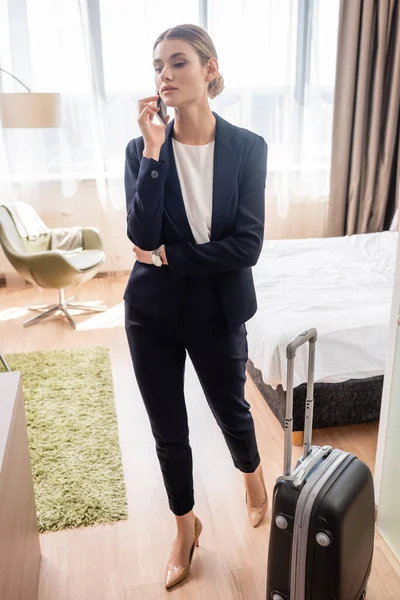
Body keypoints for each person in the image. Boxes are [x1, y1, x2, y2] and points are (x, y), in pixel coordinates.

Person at [124, 23, 268, 590]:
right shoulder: (142, 148)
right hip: (150, 313)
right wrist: (156, 155)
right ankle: (185, 527)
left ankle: (253, 477)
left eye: (178, 62)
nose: (164, 74)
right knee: (168, 428)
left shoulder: (247, 148)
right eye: (158, 64)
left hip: (217, 306)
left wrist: (172, 256)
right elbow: (139, 234)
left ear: (209, 69)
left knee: (230, 408)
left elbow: (248, 245)